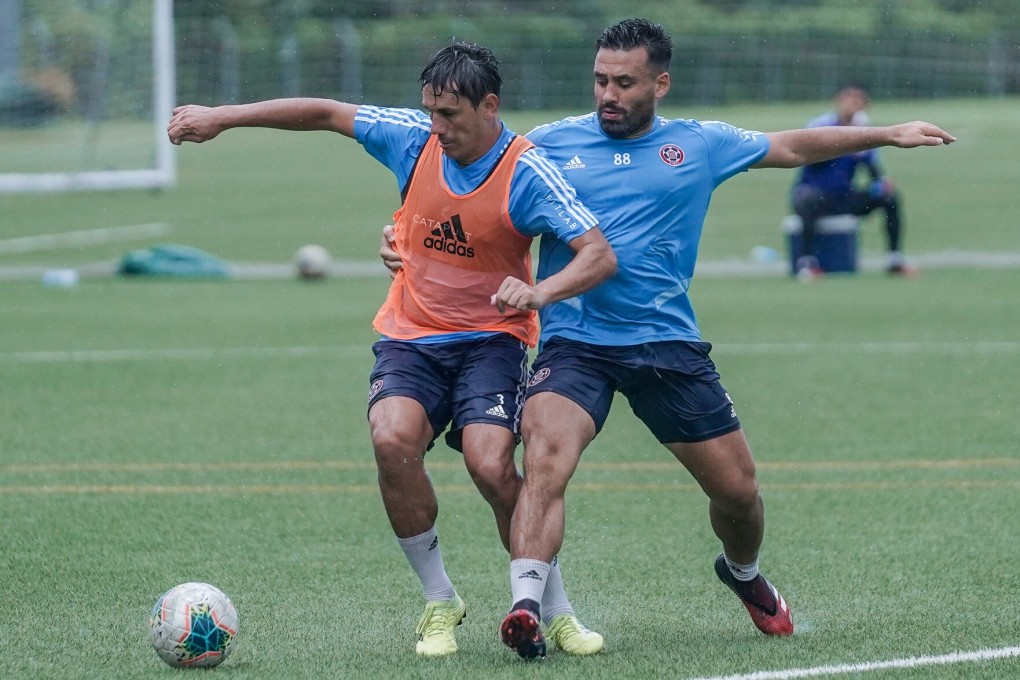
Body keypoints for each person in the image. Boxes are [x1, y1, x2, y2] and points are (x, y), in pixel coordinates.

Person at [382, 19, 954, 659]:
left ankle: (741, 572)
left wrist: (889, 134)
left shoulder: (700, 144)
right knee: (545, 458)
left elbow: (790, 146)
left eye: (624, 82)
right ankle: (526, 605)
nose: (608, 94)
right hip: (575, 344)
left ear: (660, 83)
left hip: (666, 343)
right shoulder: (543, 145)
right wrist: (402, 238)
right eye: (600, 79)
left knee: (738, 494)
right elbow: (468, 197)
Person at [167, 41, 616, 657]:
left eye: (450, 115)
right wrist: (223, 116)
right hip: (411, 337)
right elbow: (324, 112)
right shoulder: (413, 138)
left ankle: (550, 609)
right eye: (430, 111)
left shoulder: (527, 172)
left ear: (490, 107)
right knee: (391, 440)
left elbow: (598, 254)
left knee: (490, 465)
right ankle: (439, 601)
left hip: (492, 340)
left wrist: (540, 291)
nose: (437, 127)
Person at [791, 84, 914, 279]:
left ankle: (894, 259)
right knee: (808, 199)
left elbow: (873, 171)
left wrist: (882, 183)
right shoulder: (820, 125)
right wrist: (841, 145)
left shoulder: (864, 133)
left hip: (844, 196)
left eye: (857, 101)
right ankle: (806, 263)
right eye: (848, 99)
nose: (852, 105)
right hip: (816, 192)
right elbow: (809, 159)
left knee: (888, 197)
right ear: (839, 102)